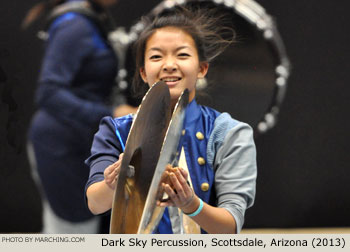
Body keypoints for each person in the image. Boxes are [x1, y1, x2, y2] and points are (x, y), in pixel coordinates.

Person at [85, 5, 257, 234]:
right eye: (156, 56)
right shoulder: (115, 130)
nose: (168, 65)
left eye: (182, 54)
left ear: (202, 69)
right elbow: (95, 204)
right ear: (144, 72)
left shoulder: (229, 133)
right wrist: (113, 183)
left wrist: (191, 205)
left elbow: (230, 227)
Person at [27, 0, 136, 233]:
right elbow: (49, 92)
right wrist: (111, 113)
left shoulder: (93, 18)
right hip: (61, 147)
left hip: (82, 142)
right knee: (71, 233)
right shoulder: (74, 25)